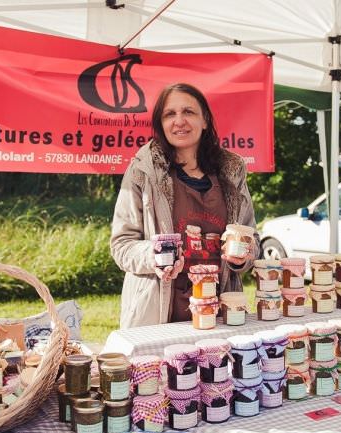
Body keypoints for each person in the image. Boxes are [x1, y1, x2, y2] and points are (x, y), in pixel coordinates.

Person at [111, 83, 259, 329]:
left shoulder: (232, 173)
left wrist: (242, 257)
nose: (179, 121)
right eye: (170, 114)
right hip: (157, 311)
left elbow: (250, 237)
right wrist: (155, 256)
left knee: (219, 367)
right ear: (161, 125)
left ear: (205, 121)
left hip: (219, 310)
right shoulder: (143, 170)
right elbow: (122, 245)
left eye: (188, 112)